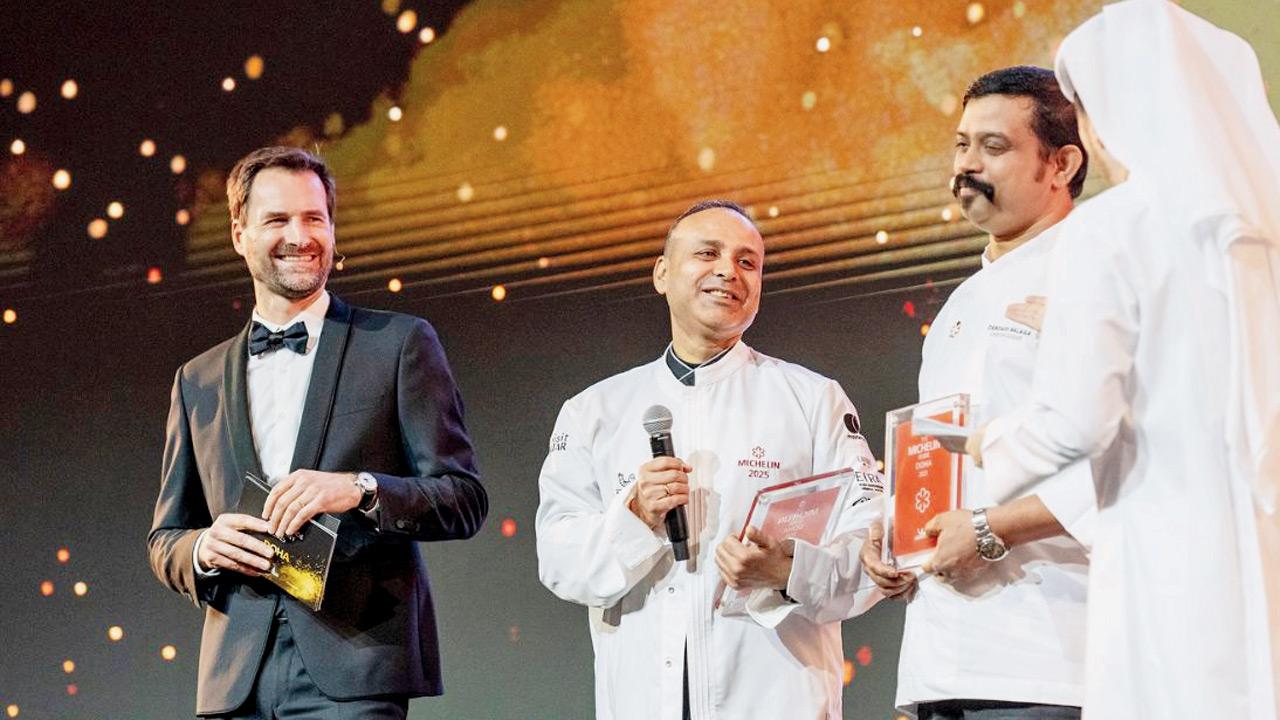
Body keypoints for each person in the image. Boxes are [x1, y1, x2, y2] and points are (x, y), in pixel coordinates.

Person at [965, 2, 1280, 717]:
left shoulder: (1113, 227)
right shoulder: (1263, 227)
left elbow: (1075, 423)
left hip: (1168, 541)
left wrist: (996, 446)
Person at [147, 146, 487, 719]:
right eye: (277, 220)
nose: (300, 236)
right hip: (236, 680)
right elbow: (165, 538)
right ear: (239, 233)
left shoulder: (399, 344)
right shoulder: (196, 380)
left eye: (314, 218)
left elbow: (463, 497)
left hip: (354, 669)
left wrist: (361, 489)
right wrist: (203, 547)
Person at [535, 200, 885, 720]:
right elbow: (560, 563)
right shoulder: (594, 410)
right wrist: (633, 518)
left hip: (776, 697)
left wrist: (787, 570)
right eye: (708, 253)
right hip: (642, 697)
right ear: (662, 273)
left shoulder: (813, 399)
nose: (728, 271)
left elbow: (875, 541)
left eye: (748, 262)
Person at [861, 65, 1096, 720]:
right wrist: (893, 537)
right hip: (943, 667)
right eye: (962, 144)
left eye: (993, 147)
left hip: (1052, 661)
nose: (966, 164)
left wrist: (992, 530)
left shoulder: (1099, 275)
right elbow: (942, 451)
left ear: (1063, 163)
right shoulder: (963, 302)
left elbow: (1130, 458)